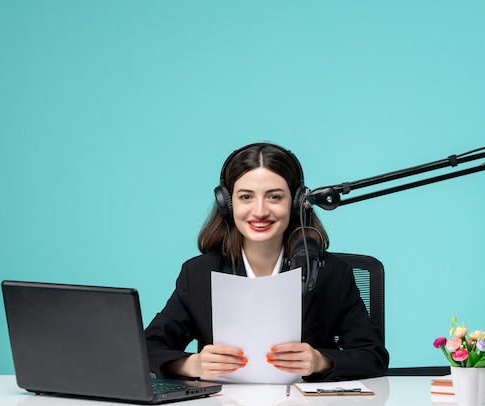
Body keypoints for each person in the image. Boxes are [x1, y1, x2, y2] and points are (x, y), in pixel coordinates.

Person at [145, 142, 389, 381]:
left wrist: (320, 361)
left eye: (274, 197)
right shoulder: (199, 273)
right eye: (246, 197)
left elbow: (373, 356)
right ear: (227, 204)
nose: (260, 211)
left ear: (295, 203)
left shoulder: (332, 273)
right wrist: (191, 364)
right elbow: (146, 347)